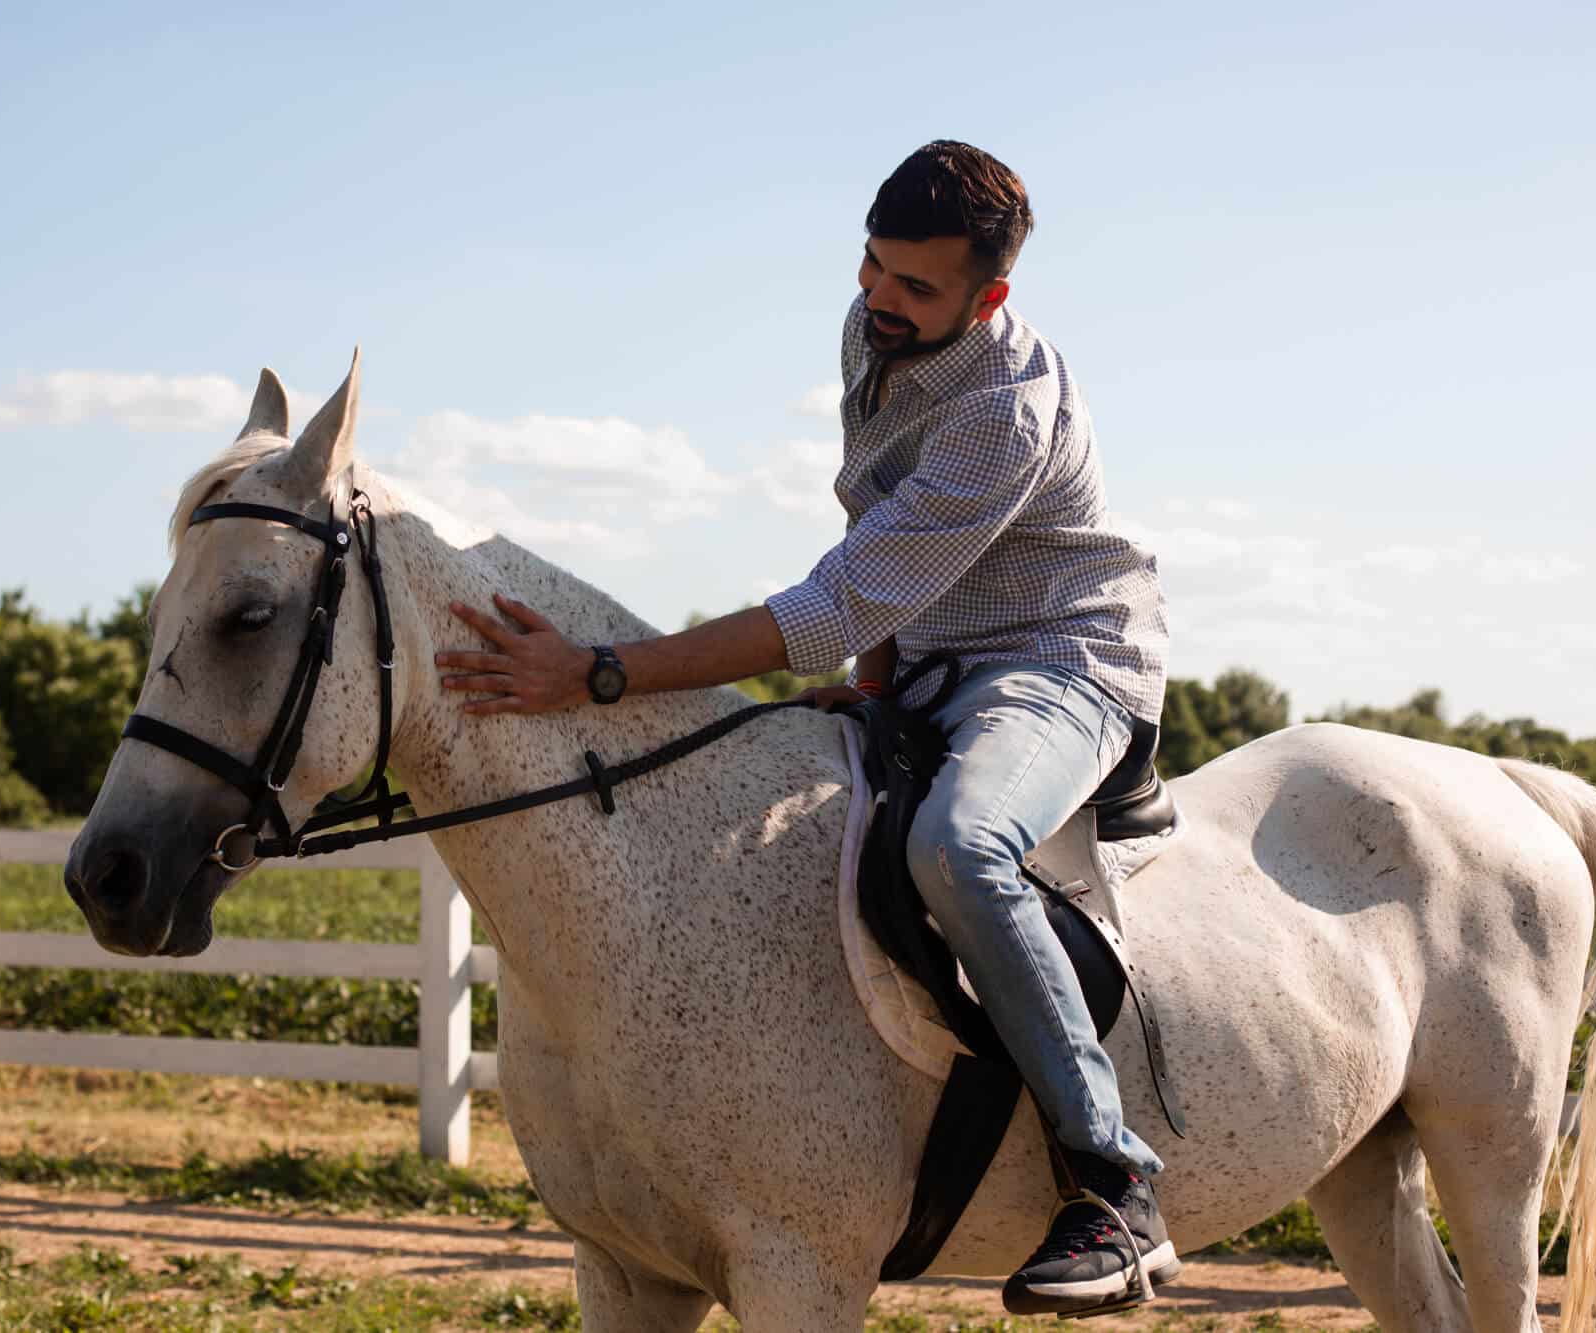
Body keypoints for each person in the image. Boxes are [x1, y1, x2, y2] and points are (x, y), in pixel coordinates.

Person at [433, 139, 1176, 1315]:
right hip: (928, 657)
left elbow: (829, 606)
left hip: (1056, 659)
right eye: (872, 267)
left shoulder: (1003, 413)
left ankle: (1111, 1183)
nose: (881, 298)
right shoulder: (871, 330)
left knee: (958, 849)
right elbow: (868, 536)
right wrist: (879, 694)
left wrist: (600, 673)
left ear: (988, 296)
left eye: (916, 287)